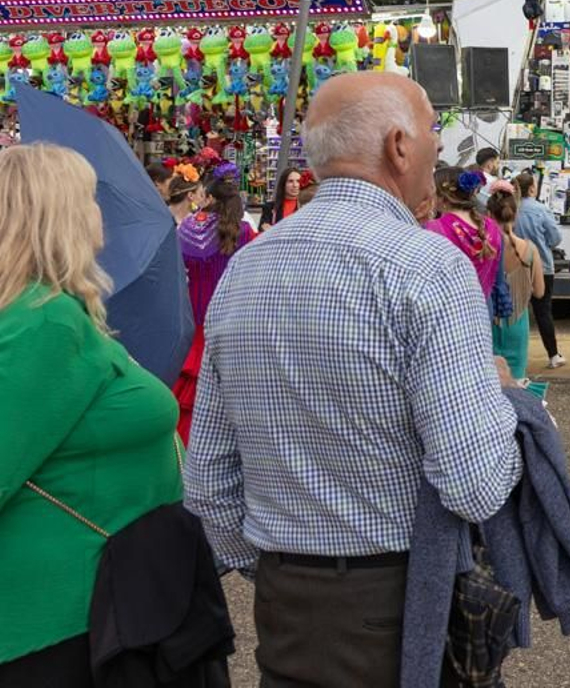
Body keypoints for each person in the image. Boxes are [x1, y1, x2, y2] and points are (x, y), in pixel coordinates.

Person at [184, 72, 522, 687]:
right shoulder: (427, 267)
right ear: (398, 146)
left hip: (286, 601)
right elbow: (472, 485)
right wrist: (507, 403)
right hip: (398, 597)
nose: (436, 152)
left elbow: (207, 482)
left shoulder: (244, 270)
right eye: (432, 136)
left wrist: (276, 562)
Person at [0, 143, 186, 685]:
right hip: (62, 621)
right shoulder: (45, 321)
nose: (101, 210)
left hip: (95, 605)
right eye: (90, 196)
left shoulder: (54, 312)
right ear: (57, 214)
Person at [172, 166, 256, 444]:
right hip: (229, 326)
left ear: (208, 197)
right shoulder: (243, 233)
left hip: (191, 329)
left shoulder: (185, 228)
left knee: (189, 404)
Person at [487, 187, 545, 385]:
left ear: (488, 214)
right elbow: (539, 291)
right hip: (517, 324)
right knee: (517, 384)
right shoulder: (529, 250)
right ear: (515, 214)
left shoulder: (483, 249)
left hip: (487, 323)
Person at [513, 169, 565, 369]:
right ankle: (553, 355)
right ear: (533, 189)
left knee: (515, 312)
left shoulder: (512, 208)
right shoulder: (540, 209)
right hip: (541, 265)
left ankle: (517, 357)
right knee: (543, 312)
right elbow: (555, 237)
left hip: (515, 266)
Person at [428, 169, 504, 299]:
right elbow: (497, 273)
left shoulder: (434, 228)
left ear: (442, 196)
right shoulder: (492, 226)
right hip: (483, 306)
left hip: (449, 309)